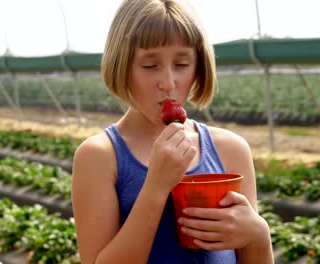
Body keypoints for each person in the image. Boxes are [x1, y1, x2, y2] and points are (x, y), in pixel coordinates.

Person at [71, 0, 274, 263]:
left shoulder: (231, 149)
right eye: (149, 66)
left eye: (181, 64)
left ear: (199, 66)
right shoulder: (99, 156)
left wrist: (258, 234)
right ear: (121, 66)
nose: (168, 83)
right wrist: (156, 186)